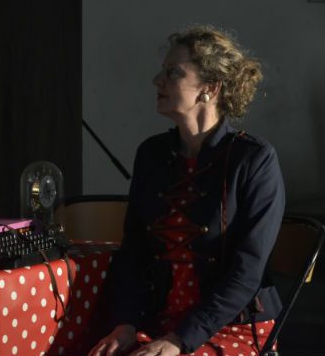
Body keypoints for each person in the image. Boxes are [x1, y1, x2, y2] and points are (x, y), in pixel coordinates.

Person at [89, 27, 285, 356]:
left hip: (232, 327)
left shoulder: (253, 159)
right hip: (159, 321)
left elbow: (247, 271)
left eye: (173, 72)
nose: (157, 81)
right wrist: (125, 323)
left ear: (210, 88)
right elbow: (134, 251)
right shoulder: (152, 154)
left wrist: (179, 340)